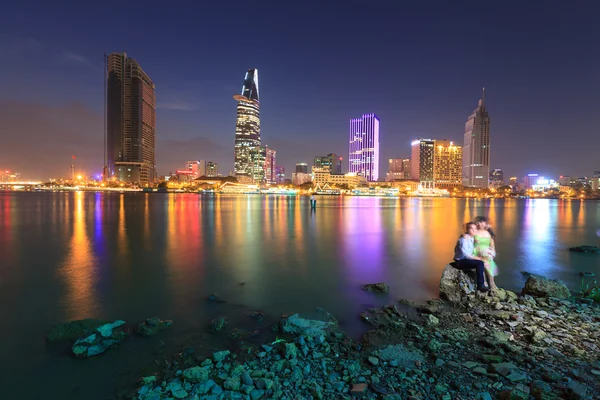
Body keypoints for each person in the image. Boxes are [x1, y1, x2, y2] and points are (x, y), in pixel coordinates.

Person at [452, 222, 489, 292]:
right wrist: (480, 259)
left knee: (484, 262)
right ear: (467, 230)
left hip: (465, 259)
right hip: (460, 261)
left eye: (475, 228)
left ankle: (487, 283)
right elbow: (466, 255)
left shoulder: (471, 238)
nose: (474, 230)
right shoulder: (464, 240)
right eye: (472, 229)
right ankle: (480, 285)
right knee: (480, 263)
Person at [473, 217, 498, 291]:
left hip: (486, 252)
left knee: (489, 262)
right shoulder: (474, 232)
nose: (479, 223)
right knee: (484, 261)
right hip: (476, 251)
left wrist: (492, 253)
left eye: (482, 222)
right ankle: (488, 283)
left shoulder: (489, 233)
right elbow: (469, 241)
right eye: (478, 222)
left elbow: (492, 246)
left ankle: (490, 282)